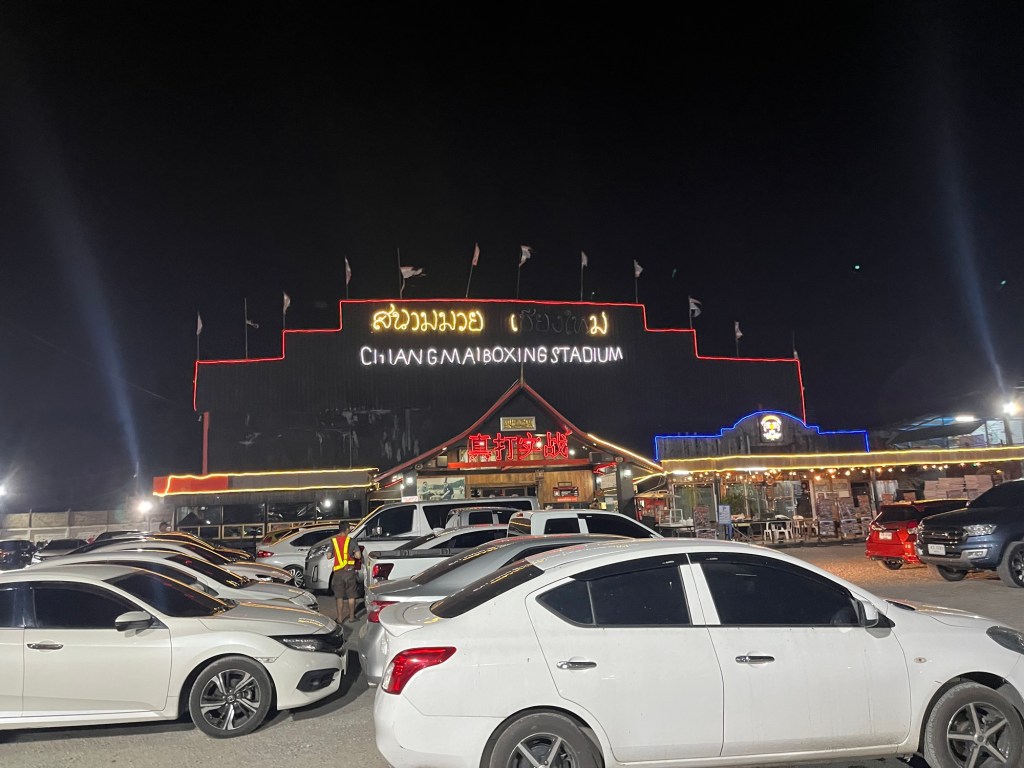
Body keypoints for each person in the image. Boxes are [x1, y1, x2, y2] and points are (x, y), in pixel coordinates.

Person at [330, 521, 362, 623]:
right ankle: (352, 617)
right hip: (349, 572)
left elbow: (328, 556)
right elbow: (358, 556)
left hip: (338, 573)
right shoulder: (352, 541)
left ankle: (340, 619)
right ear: (347, 529)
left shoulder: (334, 541)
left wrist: (336, 554)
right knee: (351, 595)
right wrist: (352, 554)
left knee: (339, 596)